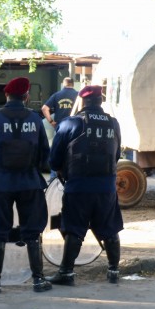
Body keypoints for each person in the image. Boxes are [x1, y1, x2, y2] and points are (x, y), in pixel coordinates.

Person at [0, 76, 52, 294]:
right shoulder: (36, 120)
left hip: (1, 183)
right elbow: (45, 153)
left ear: (6, 95)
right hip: (30, 182)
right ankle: (38, 280)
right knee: (33, 231)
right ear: (26, 97)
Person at [48, 85, 124, 284]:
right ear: (100, 101)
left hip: (78, 187)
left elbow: (54, 160)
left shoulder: (70, 123)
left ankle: (66, 273)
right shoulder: (113, 123)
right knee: (109, 229)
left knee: (74, 229)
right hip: (106, 188)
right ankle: (114, 271)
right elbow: (116, 155)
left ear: (82, 101)